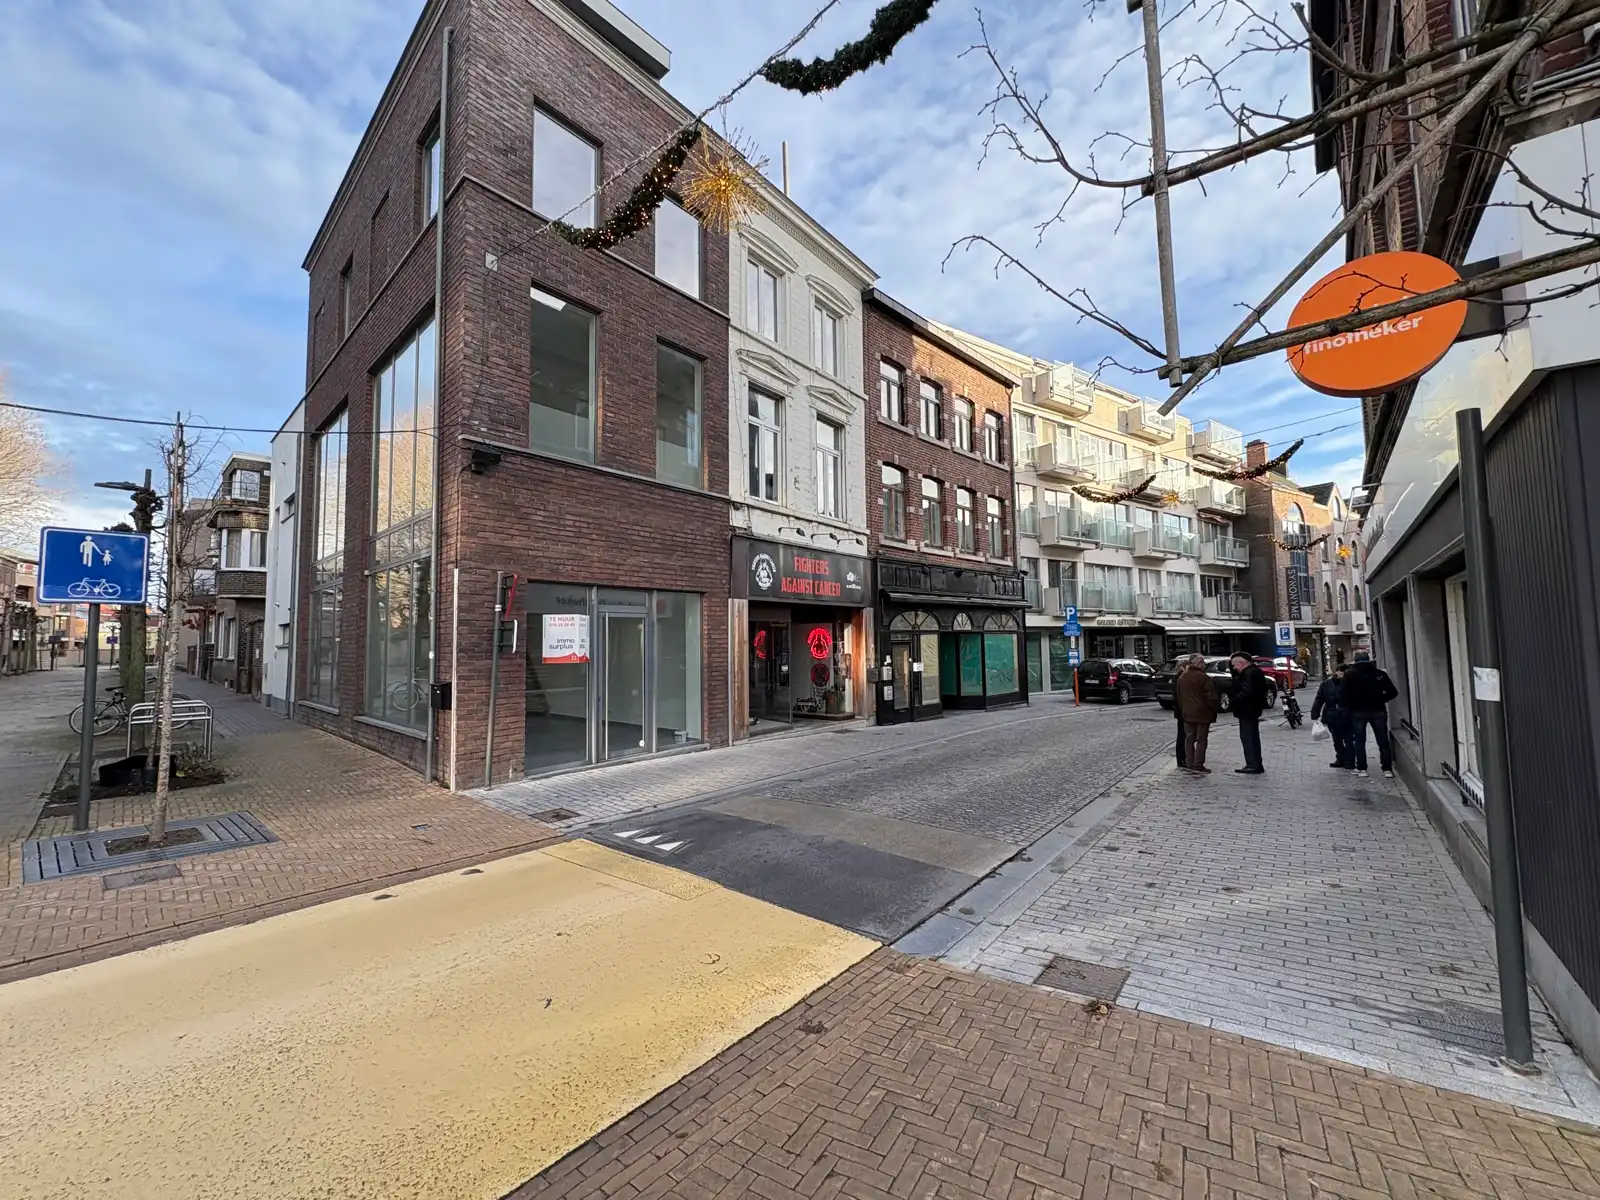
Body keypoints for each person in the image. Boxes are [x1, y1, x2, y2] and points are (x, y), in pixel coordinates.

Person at [1342, 650, 1399, 777]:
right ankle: (1387, 769)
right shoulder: (1380, 674)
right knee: (1382, 740)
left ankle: (1362, 769)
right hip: (1378, 711)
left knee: (1359, 740)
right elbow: (1393, 692)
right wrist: (1380, 700)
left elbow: (1344, 694)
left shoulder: (1349, 675)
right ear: (1368, 659)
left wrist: (1349, 705)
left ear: (1355, 660)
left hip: (1358, 712)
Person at [1175, 654, 1221, 772]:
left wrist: (1183, 710)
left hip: (1187, 714)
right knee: (1201, 740)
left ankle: (1189, 762)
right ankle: (1198, 764)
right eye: (1203, 662)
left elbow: (1179, 697)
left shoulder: (1182, 677)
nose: (1204, 665)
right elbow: (1211, 697)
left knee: (1189, 738)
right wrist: (1214, 709)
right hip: (1202, 714)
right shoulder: (1204, 677)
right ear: (1199, 663)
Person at [1228, 652, 1269, 774]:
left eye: (1234, 665)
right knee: (1251, 737)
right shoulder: (1254, 672)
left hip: (1247, 710)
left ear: (1241, 664)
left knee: (1248, 737)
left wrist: (1236, 701)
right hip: (1251, 709)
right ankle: (1254, 763)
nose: (1234, 668)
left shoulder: (1249, 674)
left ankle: (1253, 764)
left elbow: (1247, 692)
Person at [1310, 662, 1354, 769]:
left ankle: (1349, 760)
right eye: (1340, 672)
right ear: (1337, 672)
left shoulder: (1351, 683)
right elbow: (1319, 699)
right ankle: (1342, 759)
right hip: (1333, 715)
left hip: (1346, 714)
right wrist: (1315, 713)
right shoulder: (1326, 684)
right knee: (1337, 739)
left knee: (1348, 739)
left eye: (1344, 672)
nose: (1342, 674)